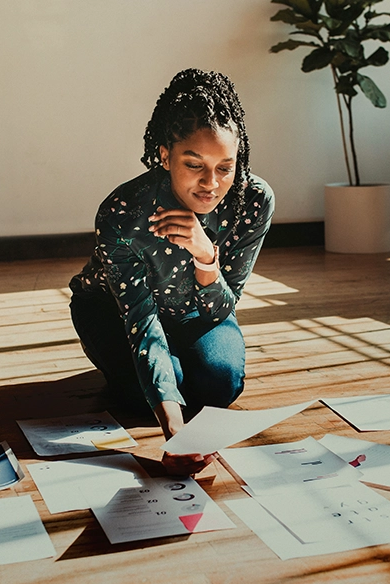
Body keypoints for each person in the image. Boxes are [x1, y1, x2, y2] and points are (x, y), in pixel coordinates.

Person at [69, 68, 274, 475]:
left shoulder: (253, 201)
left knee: (222, 384)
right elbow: (141, 321)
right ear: (165, 156)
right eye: (194, 164)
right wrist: (176, 430)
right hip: (112, 310)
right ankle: (153, 371)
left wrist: (204, 255)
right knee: (143, 395)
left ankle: (175, 367)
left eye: (225, 167)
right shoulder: (122, 214)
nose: (211, 184)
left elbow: (222, 308)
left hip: (193, 311)